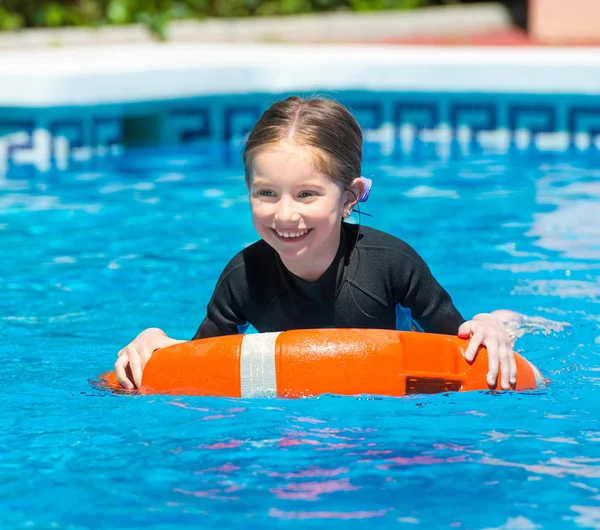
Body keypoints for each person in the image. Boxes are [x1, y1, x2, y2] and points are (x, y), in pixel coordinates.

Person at [115, 96, 517, 392]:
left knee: (499, 324)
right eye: (267, 193)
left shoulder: (391, 265)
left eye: (307, 195)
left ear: (350, 197)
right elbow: (201, 366)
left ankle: (510, 319)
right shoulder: (244, 278)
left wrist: (487, 328)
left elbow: (458, 348)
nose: (285, 215)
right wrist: (155, 343)